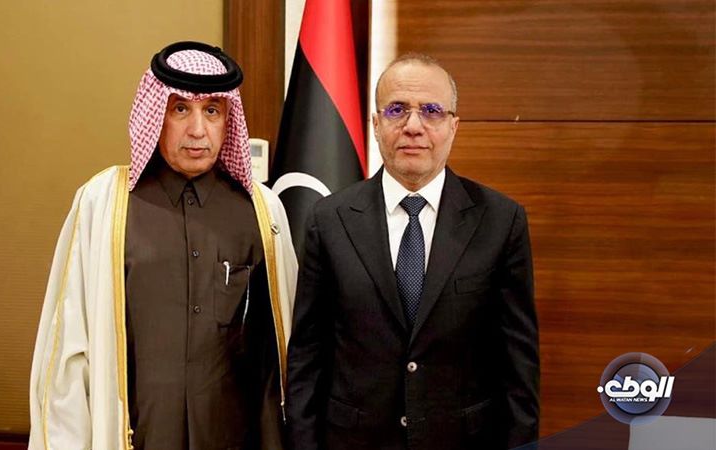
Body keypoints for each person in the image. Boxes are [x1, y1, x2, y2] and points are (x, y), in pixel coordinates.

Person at [28, 41, 297, 450]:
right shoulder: (104, 204)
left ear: (228, 119)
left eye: (212, 111)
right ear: (155, 115)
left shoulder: (263, 211)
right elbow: (66, 354)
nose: (197, 130)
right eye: (180, 109)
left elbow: (278, 361)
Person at [285, 53, 539, 450]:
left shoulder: (500, 221)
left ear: (453, 127)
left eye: (432, 111)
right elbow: (307, 358)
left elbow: (518, 367)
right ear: (376, 124)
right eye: (396, 110)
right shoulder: (329, 219)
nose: (413, 126)